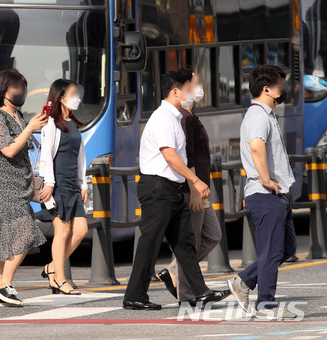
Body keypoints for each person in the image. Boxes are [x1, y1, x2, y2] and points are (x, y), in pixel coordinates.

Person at [123, 70, 228, 310]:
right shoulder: (162, 118)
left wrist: (188, 183)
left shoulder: (175, 117)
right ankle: (134, 296)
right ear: (176, 91)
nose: (193, 93)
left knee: (185, 242)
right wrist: (196, 181)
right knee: (150, 243)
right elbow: (169, 155)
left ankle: (200, 292)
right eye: (189, 88)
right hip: (157, 188)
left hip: (172, 188)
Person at [226, 65, 297, 318]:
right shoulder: (257, 115)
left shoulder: (266, 114)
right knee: (272, 251)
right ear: (267, 89)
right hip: (265, 194)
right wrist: (266, 179)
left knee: (286, 248)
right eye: (280, 85)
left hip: (277, 194)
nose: (284, 89)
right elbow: (257, 147)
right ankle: (266, 305)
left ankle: (244, 281)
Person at [158, 70, 226, 306]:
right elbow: (186, 158)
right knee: (193, 242)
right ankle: (187, 295)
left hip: (201, 186)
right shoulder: (184, 118)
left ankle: (174, 272)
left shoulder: (190, 116)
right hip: (192, 189)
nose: (198, 87)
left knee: (213, 235)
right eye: (194, 83)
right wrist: (195, 190)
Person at [0, 69, 48, 307]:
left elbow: (23, 156)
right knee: (26, 232)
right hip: (3, 186)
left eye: (23, 87)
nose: (21, 92)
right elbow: (9, 150)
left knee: (4, 238)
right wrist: (30, 128)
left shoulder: (19, 116)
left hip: (20, 185)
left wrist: (32, 185)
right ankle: (5, 286)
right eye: (16, 88)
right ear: (3, 90)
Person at [38, 79, 88, 295]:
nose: (77, 97)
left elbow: (80, 158)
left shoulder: (73, 122)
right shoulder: (51, 123)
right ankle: (59, 279)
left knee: (81, 230)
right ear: (60, 97)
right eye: (73, 93)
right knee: (62, 231)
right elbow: (46, 155)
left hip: (72, 186)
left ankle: (51, 267)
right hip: (57, 185)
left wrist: (83, 183)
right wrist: (49, 182)